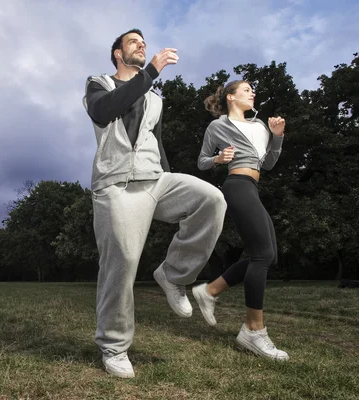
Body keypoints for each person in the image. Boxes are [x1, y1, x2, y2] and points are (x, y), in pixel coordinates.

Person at [82, 29, 227, 378]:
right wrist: (150, 73)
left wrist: (168, 176)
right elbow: (104, 112)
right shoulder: (98, 84)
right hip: (116, 184)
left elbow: (155, 142)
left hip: (155, 179)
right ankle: (114, 347)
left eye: (143, 43)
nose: (141, 46)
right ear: (118, 53)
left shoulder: (155, 99)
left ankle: (173, 274)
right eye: (133, 42)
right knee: (123, 262)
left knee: (211, 199)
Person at [194, 80, 289, 361]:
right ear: (232, 97)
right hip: (235, 185)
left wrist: (277, 136)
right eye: (246, 90)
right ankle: (253, 330)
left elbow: (268, 163)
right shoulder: (218, 127)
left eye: (253, 90)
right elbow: (201, 161)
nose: (252, 93)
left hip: (253, 187)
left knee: (268, 256)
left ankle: (210, 291)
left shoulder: (260, 127)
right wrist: (218, 159)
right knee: (262, 255)